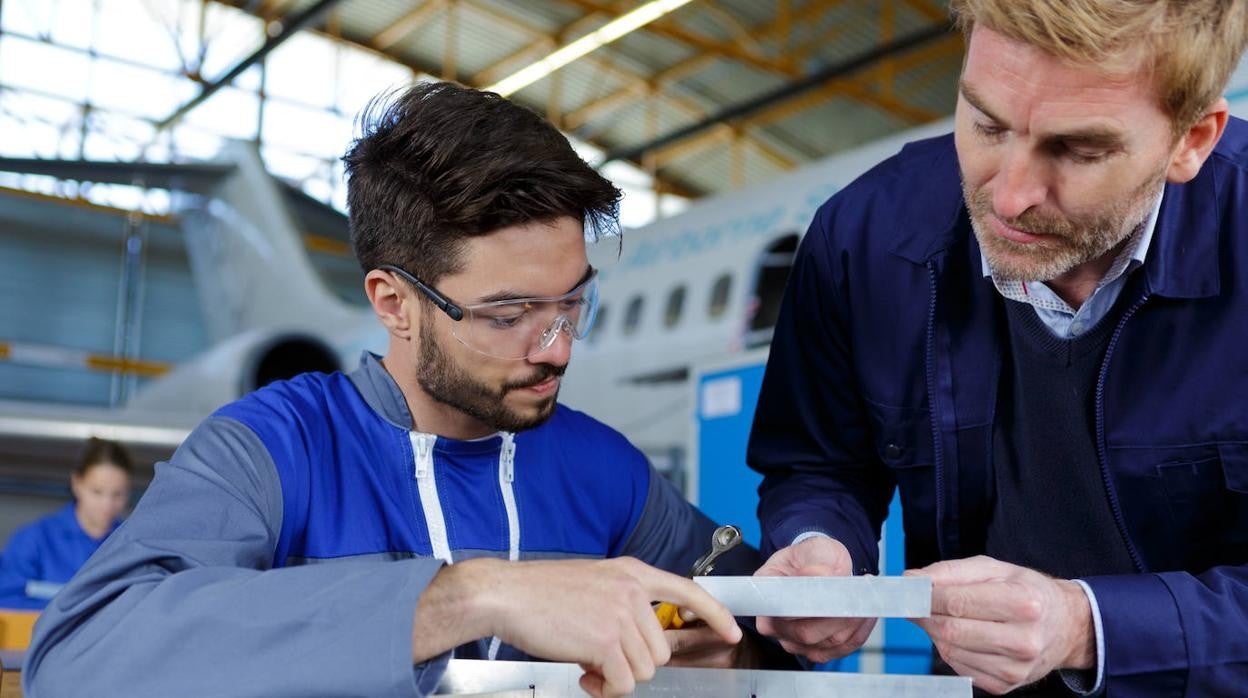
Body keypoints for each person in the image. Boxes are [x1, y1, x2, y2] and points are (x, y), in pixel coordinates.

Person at [23, 82, 765, 698]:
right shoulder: (274, 451)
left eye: (573, 304)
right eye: (508, 315)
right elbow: (77, 659)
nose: (559, 348)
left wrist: (767, 626)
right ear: (392, 302)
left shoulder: (603, 469)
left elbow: (755, 623)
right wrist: (466, 598)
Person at [747, 1, 1248, 695]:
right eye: (985, 123)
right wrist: (819, 547)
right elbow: (821, 463)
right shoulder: (863, 238)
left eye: (1079, 150)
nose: (1009, 198)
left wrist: (1086, 627)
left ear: (1193, 139)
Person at [0, 437, 132, 610]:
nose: (107, 505)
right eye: (97, 492)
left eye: (117, 494)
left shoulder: (132, 546)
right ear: (76, 483)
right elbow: (5, 601)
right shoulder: (34, 540)